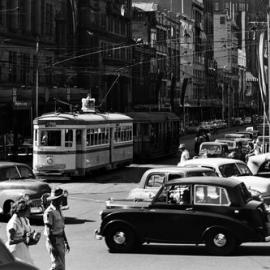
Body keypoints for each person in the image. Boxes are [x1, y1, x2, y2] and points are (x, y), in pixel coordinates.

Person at [6, 198, 40, 266]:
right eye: (28, 210)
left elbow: (25, 235)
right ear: (22, 211)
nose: (30, 211)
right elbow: (11, 241)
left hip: (23, 250)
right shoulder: (13, 223)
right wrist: (24, 239)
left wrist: (32, 238)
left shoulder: (25, 219)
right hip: (15, 251)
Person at [43, 188, 70, 270]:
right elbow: (48, 231)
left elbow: (62, 227)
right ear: (55, 199)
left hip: (60, 239)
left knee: (61, 266)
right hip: (53, 241)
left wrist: (66, 241)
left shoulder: (59, 209)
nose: (62, 200)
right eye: (60, 198)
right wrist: (53, 247)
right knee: (56, 265)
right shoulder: (49, 212)